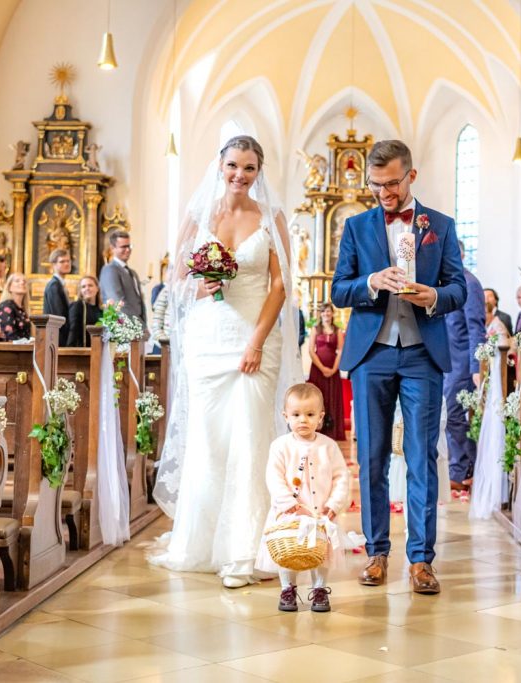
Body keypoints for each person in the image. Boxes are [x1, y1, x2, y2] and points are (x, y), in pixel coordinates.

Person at [148, 135, 300, 589]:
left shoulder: (271, 217)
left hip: (254, 339)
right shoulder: (200, 215)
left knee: (251, 439)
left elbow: (279, 287)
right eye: (233, 165)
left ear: (259, 171)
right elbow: (175, 275)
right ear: (220, 164)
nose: (240, 174)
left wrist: (255, 341)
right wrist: (200, 287)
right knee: (209, 441)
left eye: (250, 167)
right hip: (207, 340)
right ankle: (200, 544)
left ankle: (243, 553)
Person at [331, 139, 466, 595]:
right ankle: (376, 553)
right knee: (370, 456)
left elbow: (458, 290)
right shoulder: (356, 226)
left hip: (422, 353)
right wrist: (371, 281)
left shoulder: (440, 226)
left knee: (421, 457)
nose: (384, 193)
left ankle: (422, 560)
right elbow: (339, 290)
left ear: (412, 175)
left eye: (392, 183)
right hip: (372, 353)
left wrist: (434, 297)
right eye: (376, 185)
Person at [255, 384, 349, 613]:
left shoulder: (328, 446)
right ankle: (288, 588)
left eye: (310, 415)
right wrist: (289, 504)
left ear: (320, 417)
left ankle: (319, 589)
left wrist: (334, 504)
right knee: (288, 552)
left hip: (319, 514)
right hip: (290, 514)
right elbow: (274, 477)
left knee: (321, 553)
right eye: (296, 415)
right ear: (286, 416)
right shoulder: (280, 446)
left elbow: (341, 477)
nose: (303, 421)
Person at [444, 248, 486, 493]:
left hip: (461, 364)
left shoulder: (470, 284)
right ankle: (464, 466)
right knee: (450, 418)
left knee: (455, 416)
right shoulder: (447, 284)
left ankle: (462, 469)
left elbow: (475, 329)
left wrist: (476, 366)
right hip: (445, 362)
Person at [307, 302, 346, 440]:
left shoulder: (337, 330)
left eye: (328, 311)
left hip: (333, 369)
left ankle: (332, 432)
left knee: (332, 398)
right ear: (320, 314)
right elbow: (311, 350)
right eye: (323, 312)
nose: (326, 314)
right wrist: (322, 368)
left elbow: (340, 351)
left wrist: (334, 368)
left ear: (332, 313)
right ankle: (317, 430)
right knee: (318, 399)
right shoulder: (315, 329)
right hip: (318, 369)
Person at [99, 230, 147, 324]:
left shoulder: (133, 273)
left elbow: (139, 303)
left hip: (137, 328)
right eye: (123, 247)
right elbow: (117, 302)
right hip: (121, 327)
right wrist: (136, 326)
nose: (128, 250)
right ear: (112, 248)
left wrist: (143, 325)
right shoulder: (110, 270)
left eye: (129, 246)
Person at [42, 248, 72, 345]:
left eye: (68, 261)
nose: (66, 264)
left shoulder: (59, 284)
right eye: (62, 261)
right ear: (54, 265)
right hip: (57, 337)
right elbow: (58, 315)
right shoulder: (54, 285)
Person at [66, 275, 103, 347]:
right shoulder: (77, 306)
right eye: (83, 287)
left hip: (98, 349)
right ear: (80, 291)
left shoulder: (100, 310)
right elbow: (73, 330)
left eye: (90, 285)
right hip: (82, 351)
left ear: (97, 288)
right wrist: (69, 352)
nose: (87, 288)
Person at [0, 272, 32, 341]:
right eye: (17, 281)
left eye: (24, 281)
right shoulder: (6, 306)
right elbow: (9, 336)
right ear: (9, 287)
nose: (22, 283)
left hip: (24, 349)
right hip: (10, 350)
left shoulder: (23, 309)